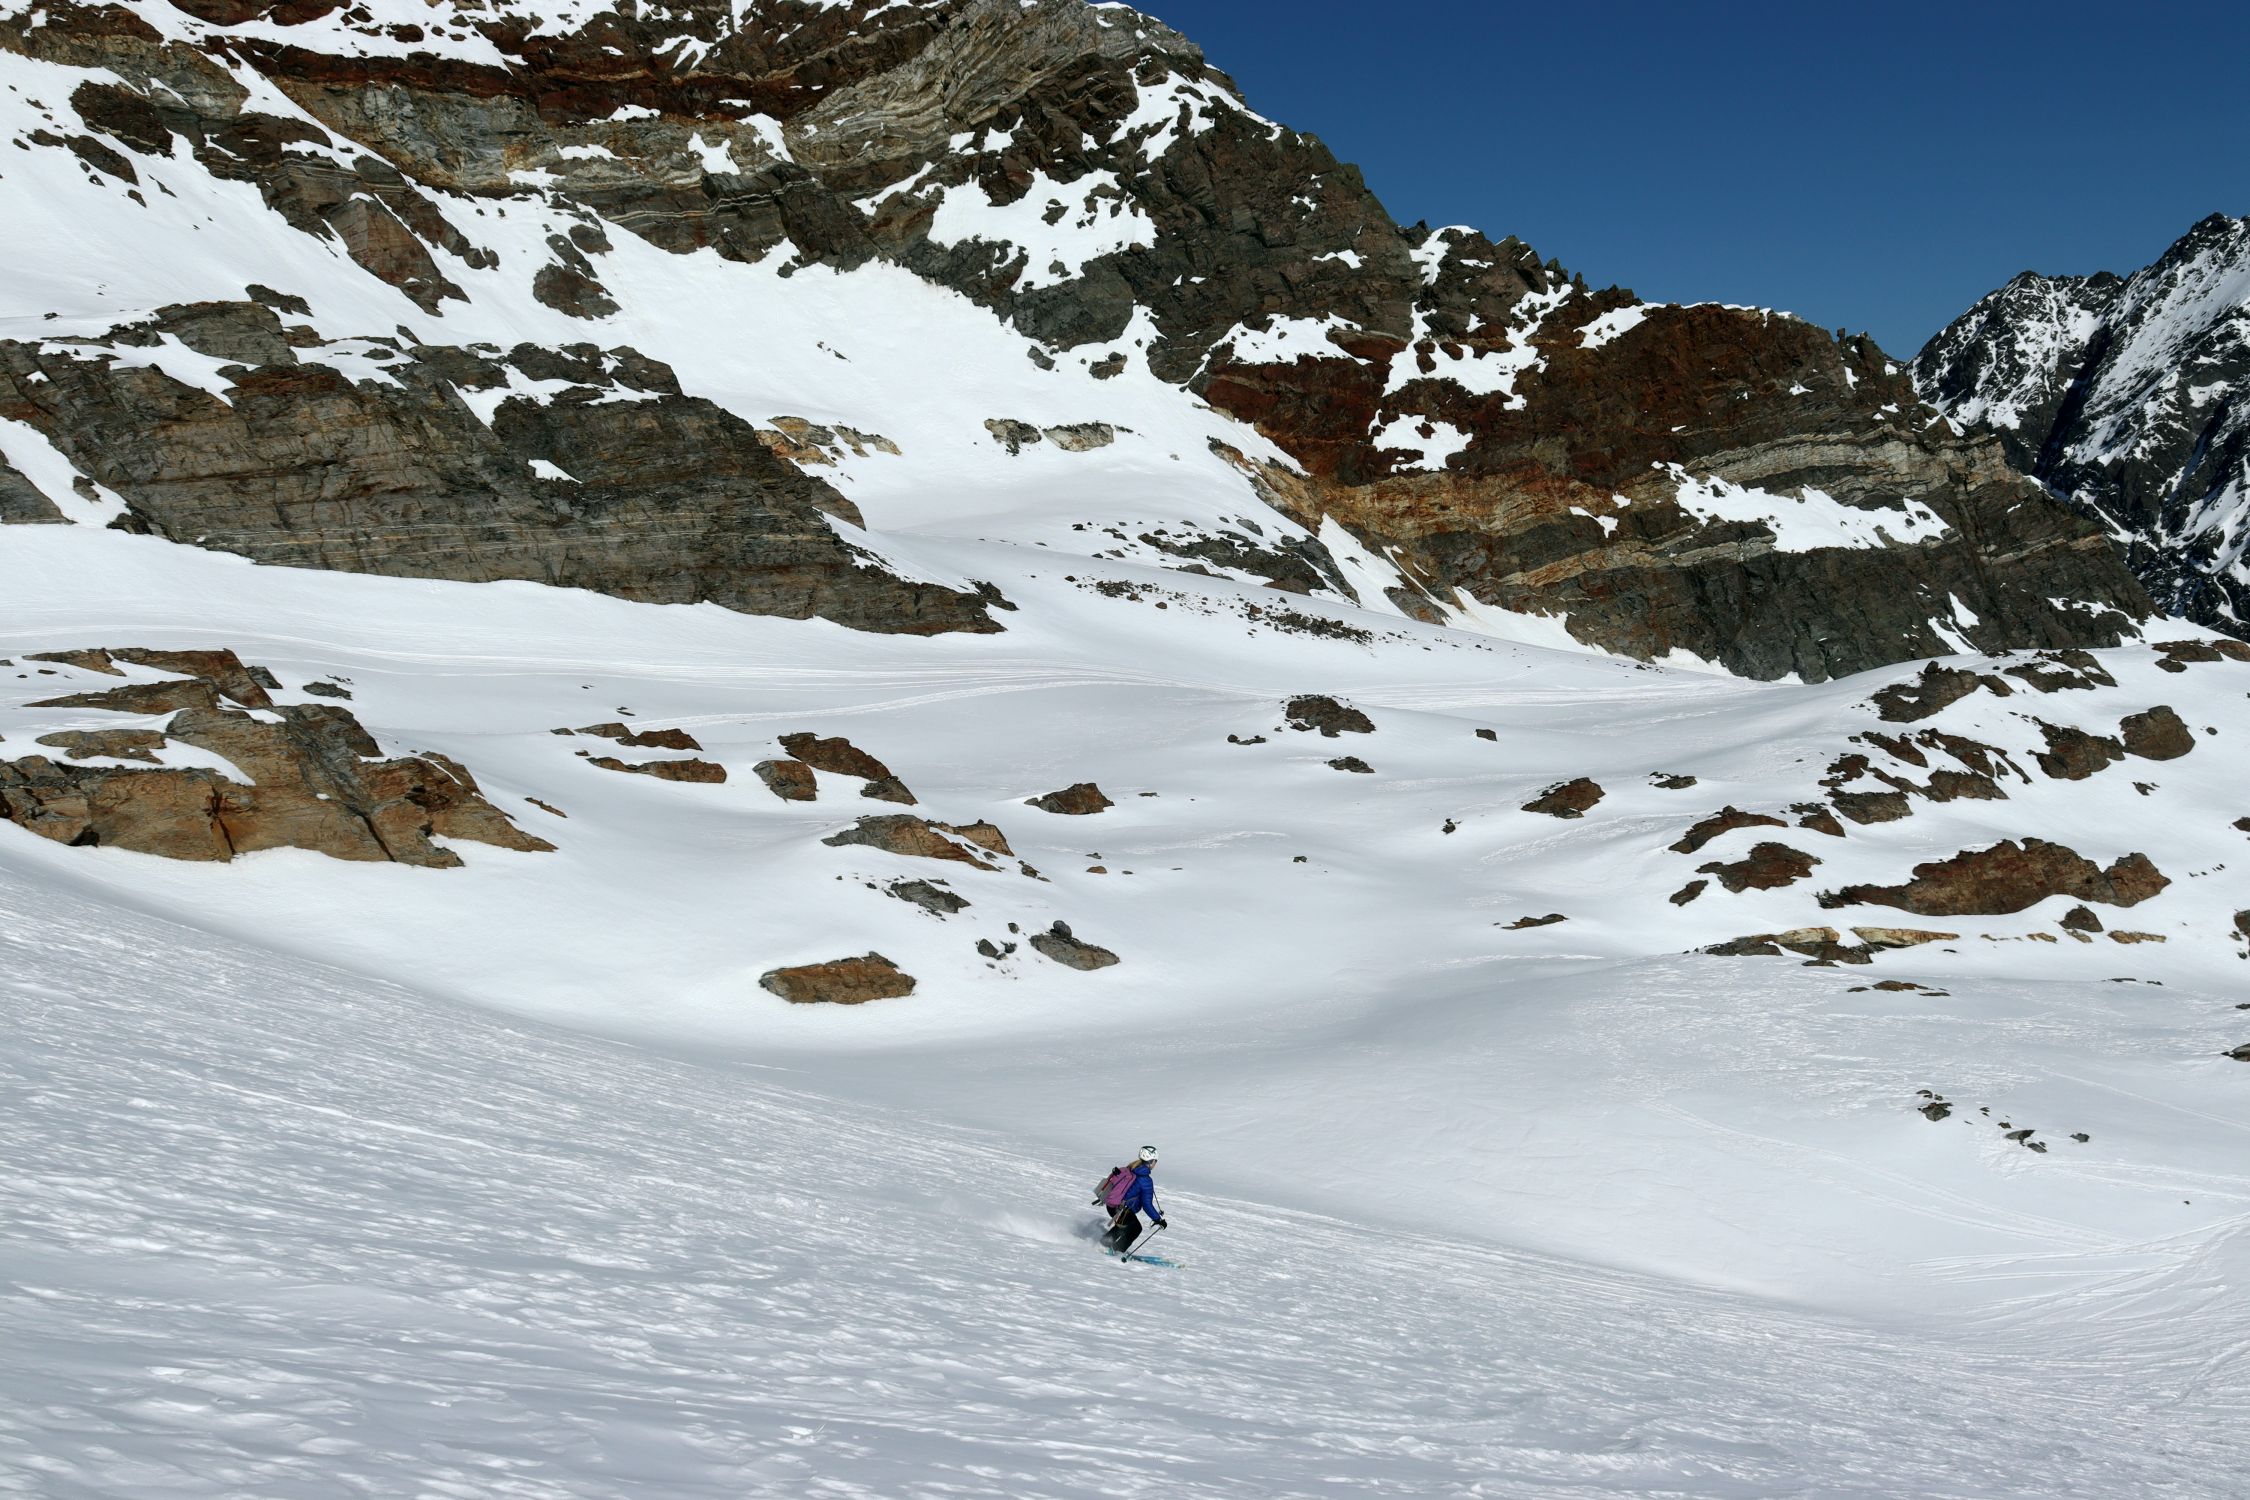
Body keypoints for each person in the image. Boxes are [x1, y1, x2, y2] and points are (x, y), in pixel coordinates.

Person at [1101, 1146, 1165, 1254]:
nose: (1155, 1163)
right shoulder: (1145, 1180)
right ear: (1151, 1162)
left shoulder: (1131, 1168)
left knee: (1125, 1226)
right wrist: (1158, 1219)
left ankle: (1104, 1243)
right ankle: (1115, 1250)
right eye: (1155, 1161)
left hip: (1112, 1206)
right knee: (1135, 1228)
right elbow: (1147, 1204)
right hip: (1123, 1210)